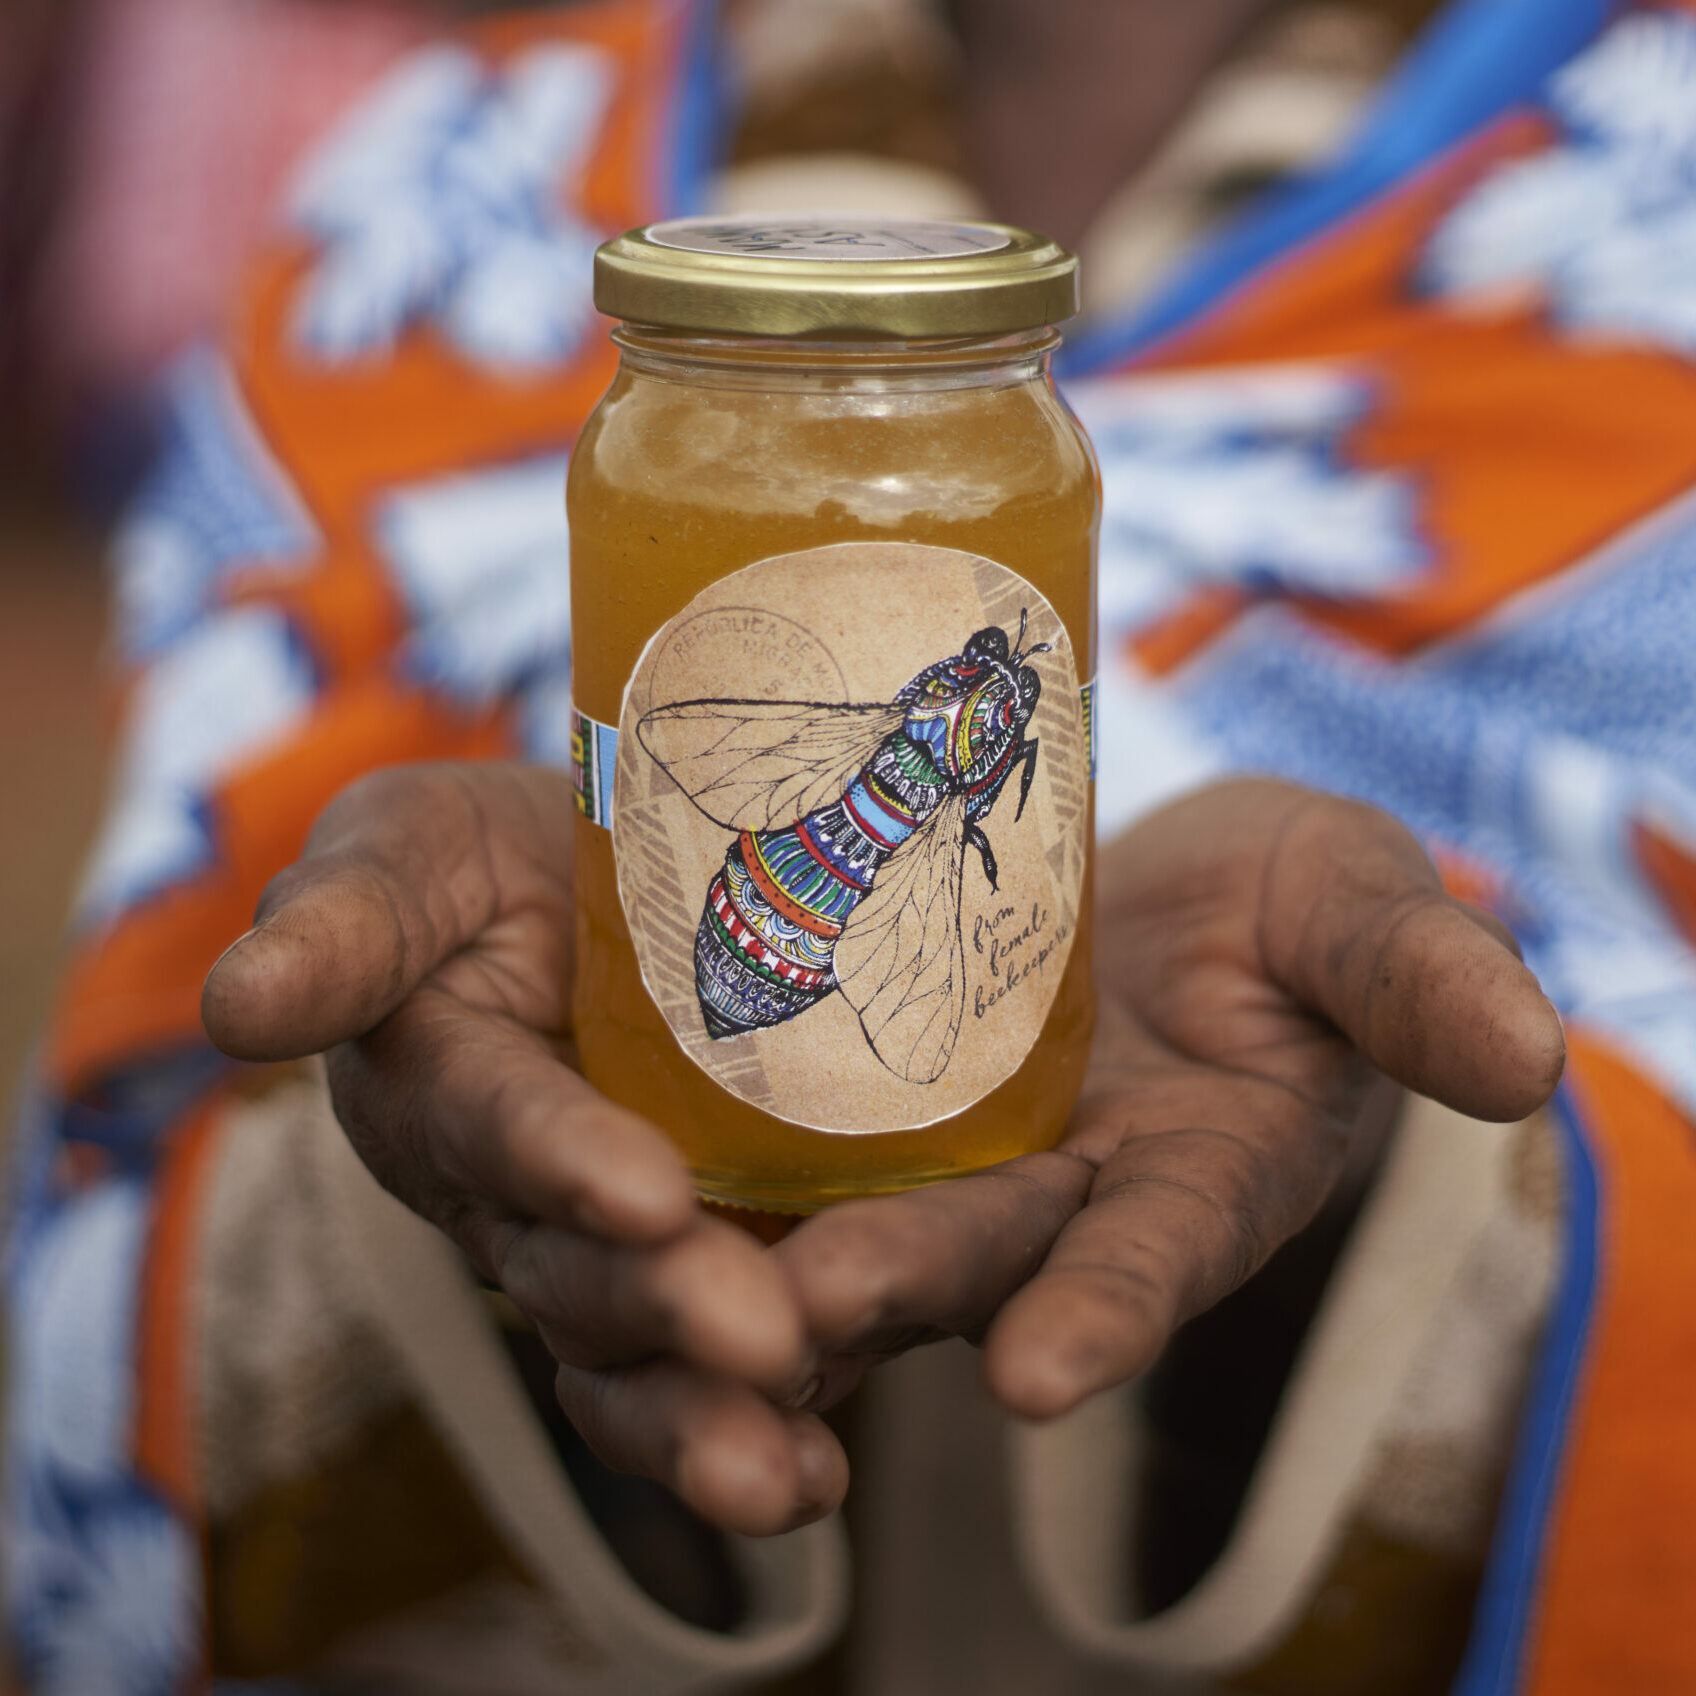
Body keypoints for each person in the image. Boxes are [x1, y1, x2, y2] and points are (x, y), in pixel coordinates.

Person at [10, 0, 1696, 1691]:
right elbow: (124, 1146)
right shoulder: (440, 200)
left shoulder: (1656, 197)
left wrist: (1378, 1193)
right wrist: (421, 1199)